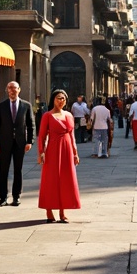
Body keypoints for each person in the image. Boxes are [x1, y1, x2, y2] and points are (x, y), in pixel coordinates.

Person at [37, 89, 81, 222]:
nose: (61, 101)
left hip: (67, 149)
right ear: (53, 99)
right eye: (58, 98)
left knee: (66, 179)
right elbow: (42, 136)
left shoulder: (69, 115)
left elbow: (72, 136)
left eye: (63, 98)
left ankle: (63, 211)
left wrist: (75, 153)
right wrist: (41, 153)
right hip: (53, 149)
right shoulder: (47, 116)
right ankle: (49, 210)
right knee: (50, 179)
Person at [0, 80, 35, 206]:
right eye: (10, 88)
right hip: (4, 143)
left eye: (14, 88)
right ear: (7, 90)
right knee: (3, 170)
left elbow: (31, 124)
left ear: (19, 90)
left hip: (20, 143)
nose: (12, 90)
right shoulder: (1, 106)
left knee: (18, 170)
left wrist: (30, 141)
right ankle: (3, 197)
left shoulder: (26, 105)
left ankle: (16, 196)